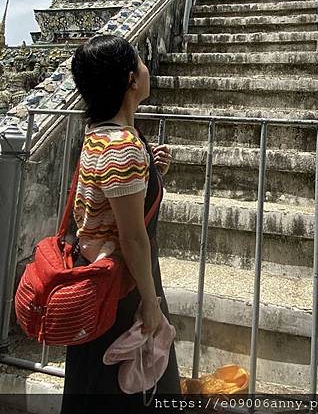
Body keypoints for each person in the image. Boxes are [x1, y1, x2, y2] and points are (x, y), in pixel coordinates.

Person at [60, 34, 181, 413]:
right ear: (131, 79)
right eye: (141, 63)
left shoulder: (99, 134)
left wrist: (151, 173)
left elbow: (108, 203)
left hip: (93, 278)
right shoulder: (123, 144)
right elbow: (132, 237)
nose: (147, 69)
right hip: (121, 288)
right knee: (131, 389)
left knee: (93, 383)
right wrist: (150, 303)